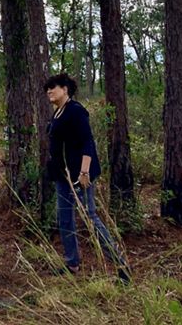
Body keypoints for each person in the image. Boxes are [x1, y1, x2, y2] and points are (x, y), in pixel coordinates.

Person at [44, 73, 129, 281]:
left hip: (79, 176)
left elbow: (87, 143)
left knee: (89, 217)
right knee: (64, 219)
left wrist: (84, 172)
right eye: (47, 88)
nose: (49, 91)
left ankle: (121, 265)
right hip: (62, 176)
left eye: (53, 87)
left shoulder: (76, 111)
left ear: (65, 89)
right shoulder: (58, 112)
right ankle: (71, 263)